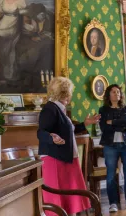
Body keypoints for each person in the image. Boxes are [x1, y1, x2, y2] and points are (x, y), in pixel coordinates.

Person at [37, 77, 101, 216]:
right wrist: (51, 138)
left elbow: (68, 130)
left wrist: (85, 124)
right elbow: (41, 132)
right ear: (65, 93)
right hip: (55, 159)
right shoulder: (50, 108)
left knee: (68, 196)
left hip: (65, 158)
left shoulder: (60, 109)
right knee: (58, 197)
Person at [99, 84, 126, 212]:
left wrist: (113, 122)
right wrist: (121, 123)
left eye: (118, 92)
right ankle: (113, 203)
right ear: (108, 95)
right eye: (113, 92)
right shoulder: (104, 110)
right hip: (110, 145)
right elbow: (104, 127)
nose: (116, 94)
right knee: (111, 174)